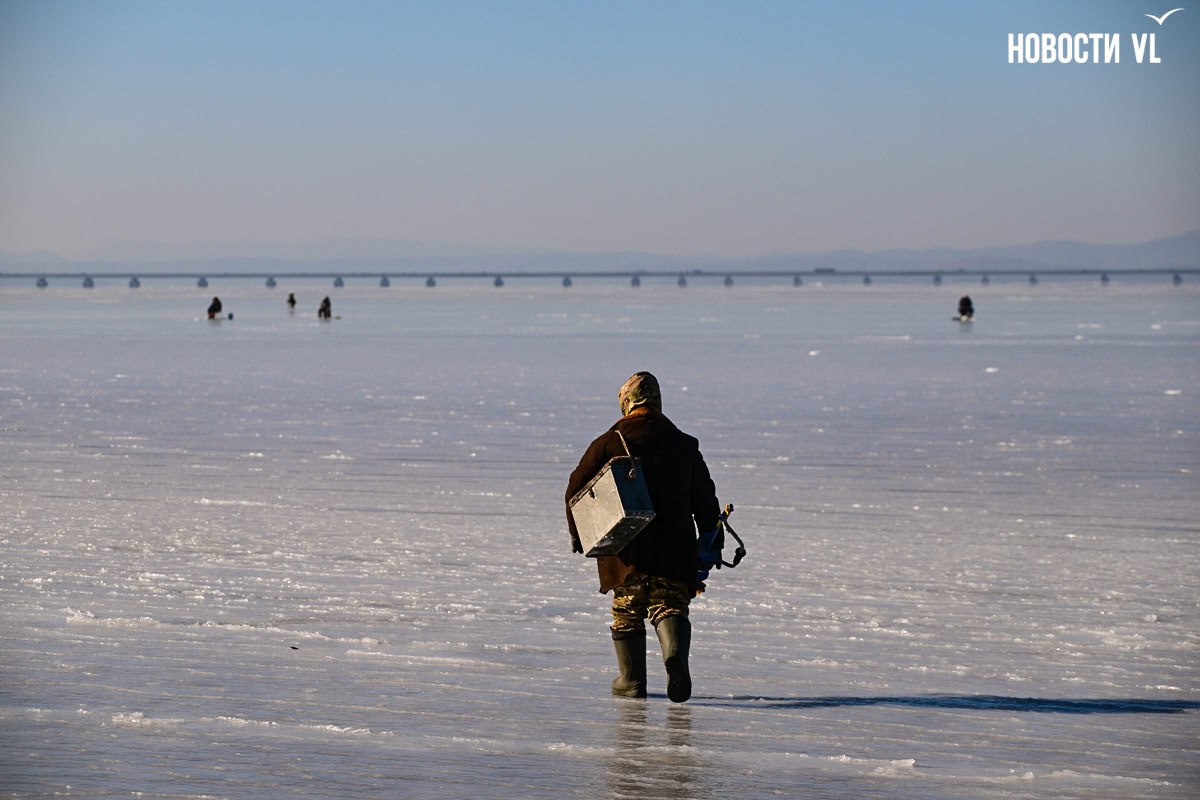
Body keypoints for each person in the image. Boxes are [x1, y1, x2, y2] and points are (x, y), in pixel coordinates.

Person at [565, 371, 720, 703]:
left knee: (627, 610)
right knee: (671, 604)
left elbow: (575, 488)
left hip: (627, 551)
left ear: (626, 402)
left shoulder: (610, 441)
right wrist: (712, 541)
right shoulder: (685, 444)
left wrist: (578, 533)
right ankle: (674, 656)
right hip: (675, 549)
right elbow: (706, 502)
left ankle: (631, 680)